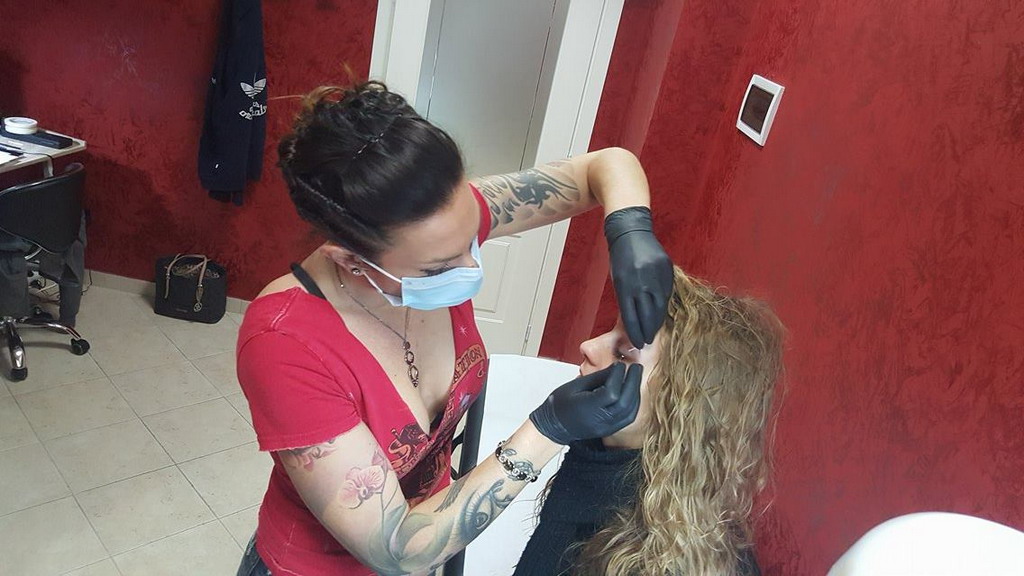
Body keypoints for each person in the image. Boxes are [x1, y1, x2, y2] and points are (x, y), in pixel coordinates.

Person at [234, 81, 674, 576]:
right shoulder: (284, 343)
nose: (469, 268)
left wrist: (629, 229)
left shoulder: (440, 226)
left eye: (473, 239)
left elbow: (606, 165)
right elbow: (397, 549)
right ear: (350, 260)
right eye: (439, 268)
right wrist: (548, 429)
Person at [515, 266, 785, 576]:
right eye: (610, 331)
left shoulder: (663, 561)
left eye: (623, 353)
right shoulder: (594, 462)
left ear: (680, 404)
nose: (588, 346)